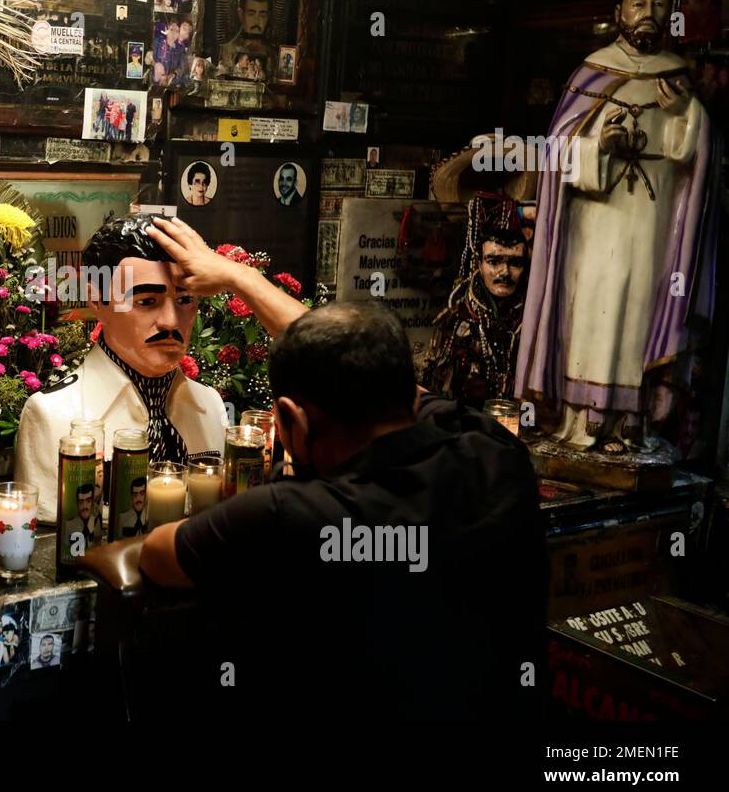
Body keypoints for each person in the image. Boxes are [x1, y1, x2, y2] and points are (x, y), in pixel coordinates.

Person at [137, 217, 545, 720]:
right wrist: (237, 276)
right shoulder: (496, 454)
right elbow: (358, 366)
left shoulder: (296, 515)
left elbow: (157, 554)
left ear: (289, 421)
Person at [516, 0, 714, 453]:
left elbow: (696, 158)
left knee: (640, 313)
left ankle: (634, 420)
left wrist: (685, 117)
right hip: (595, 223)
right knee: (593, 311)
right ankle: (583, 420)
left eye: (658, 4)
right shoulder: (592, 72)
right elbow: (557, 148)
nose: (648, 14)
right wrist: (598, 147)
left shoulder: (678, 77)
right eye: (639, 4)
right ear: (619, 10)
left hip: (653, 223)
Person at [15, 216, 226, 523]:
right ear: (96, 300)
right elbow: (50, 548)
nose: (170, 321)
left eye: (184, 299)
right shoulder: (53, 415)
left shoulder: (209, 405)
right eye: (146, 301)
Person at [422, 196, 529, 406]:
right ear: (478, 264)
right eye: (494, 261)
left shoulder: (534, 321)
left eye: (514, 263)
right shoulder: (460, 319)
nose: (504, 273)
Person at [218, 0, 274, 79]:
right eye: (251, 14)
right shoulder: (228, 50)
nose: (257, 21)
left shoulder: (273, 53)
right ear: (241, 14)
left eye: (262, 15)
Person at [63, 483, 99, 551]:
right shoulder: (69, 524)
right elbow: (67, 548)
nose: (84, 506)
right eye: (81, 502)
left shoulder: (96, 522)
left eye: (88, 501)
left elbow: (99, 543)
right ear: (77, 504)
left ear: (92, 502)